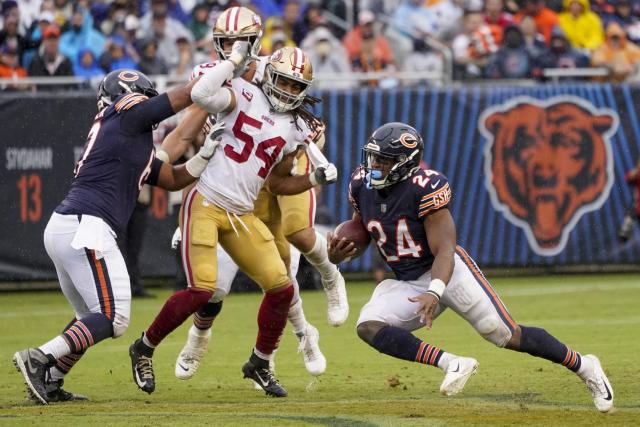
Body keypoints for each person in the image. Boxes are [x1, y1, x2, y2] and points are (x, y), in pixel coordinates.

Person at [328, 122, 615, 413]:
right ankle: (451, 362)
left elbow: (445, 250)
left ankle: (585, 366)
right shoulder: (360, 184)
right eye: (374, 157)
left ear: (406, 163)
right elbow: (363, 231)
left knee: (504, 334)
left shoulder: (425, 188)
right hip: (407, 281)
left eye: (384, 160)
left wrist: (435, 291)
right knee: (368, 326)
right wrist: (341, 255)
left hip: (448, 271)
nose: (375, 165)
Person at [128, 40, 339, 398]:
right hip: (207, 202)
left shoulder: (293, 128)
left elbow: (277, 183)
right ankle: (144, 348)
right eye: (283, 82)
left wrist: (313, 179)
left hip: (242, 214)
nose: (288, 91)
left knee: (282, 285)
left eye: (295, 86)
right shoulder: (241, 91)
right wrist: (236, 62)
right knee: (203, 290)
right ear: (269, 74)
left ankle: (259, 361)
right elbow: (203, 92)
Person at [12, 68, 219, 405]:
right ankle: (39, 357)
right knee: (114, 317)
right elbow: (183, 97)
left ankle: (51, 377)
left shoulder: (122, 138)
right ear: (129, 96)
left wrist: (206, 151)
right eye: (144, 99)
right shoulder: (124, 117)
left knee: (89, 316)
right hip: (87, 226)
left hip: (70, 225)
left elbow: (172, 178)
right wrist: (224, 72)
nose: (147, 107)